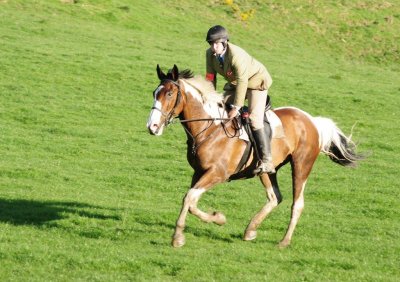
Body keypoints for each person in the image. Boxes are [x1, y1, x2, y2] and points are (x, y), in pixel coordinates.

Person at [205, 25, 275, 174]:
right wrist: (209, 96)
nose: (213, 47)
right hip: (237, 83)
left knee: (254, 119)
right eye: (211, 43)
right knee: (218, 105)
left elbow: (243, 82)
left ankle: (266, 160)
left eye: (216, 43)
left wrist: (236, 107)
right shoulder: (209, 55)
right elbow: (210, 77)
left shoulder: (236, 55)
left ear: (224, 42)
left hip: (256, 82)